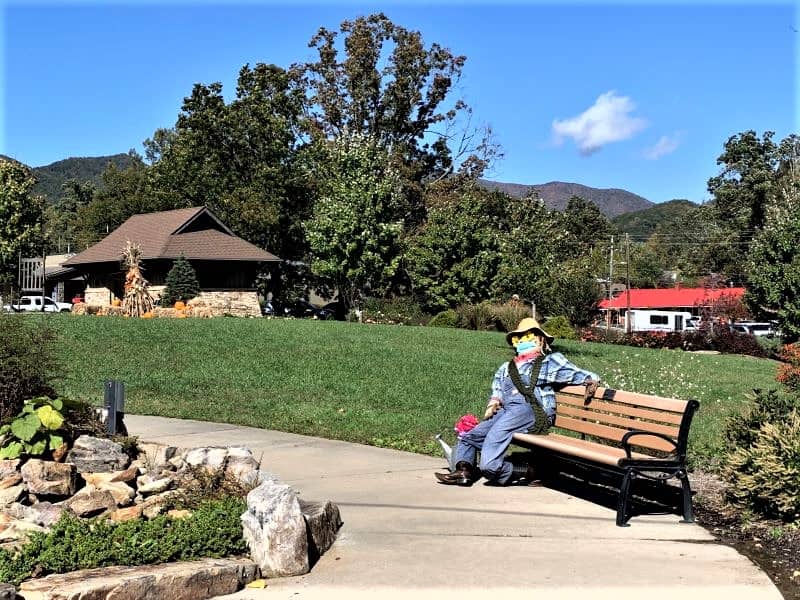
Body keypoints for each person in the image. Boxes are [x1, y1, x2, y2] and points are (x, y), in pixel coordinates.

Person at [435, 317, 600, 487]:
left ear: (541, 340)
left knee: (490, 461)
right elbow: (498, 388)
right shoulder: (507, 367)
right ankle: (464, 471)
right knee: (469, 437)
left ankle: (532, 471)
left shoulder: (549, 362)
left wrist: (589, 380)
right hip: (507, 411)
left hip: (531, 411)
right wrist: (493, 403)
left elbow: (580, 374)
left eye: (529, 336)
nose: (524, 341)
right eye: (519, 338)